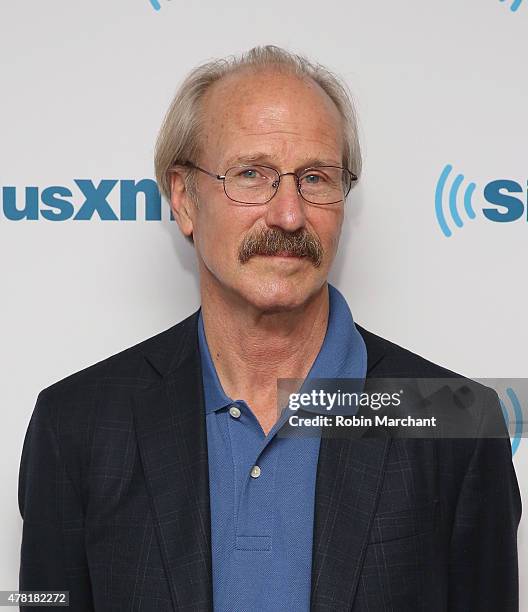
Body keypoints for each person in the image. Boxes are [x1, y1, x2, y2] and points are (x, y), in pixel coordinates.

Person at [18, 45, 521, 611]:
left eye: (315, 177)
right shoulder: (78, 423)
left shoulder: (456, 422)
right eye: (251, 174)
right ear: (184, 199)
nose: (288, 214)